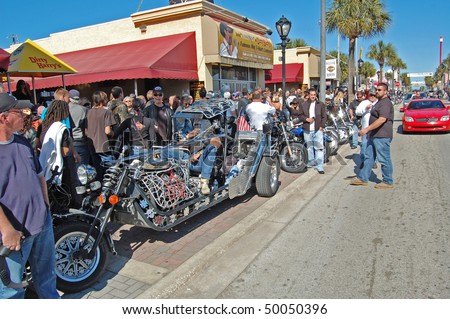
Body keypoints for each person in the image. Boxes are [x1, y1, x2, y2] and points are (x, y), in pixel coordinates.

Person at [0, 93, 60, 299]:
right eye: (20, 112)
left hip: (42, 224)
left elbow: (39, 174)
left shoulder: (22, 142)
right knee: (11, 290)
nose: (26, 116)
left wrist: (45, 205)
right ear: (3, 117)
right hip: (14, 237)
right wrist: (7, 230)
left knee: (47, 278)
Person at [350, 83, 394, 188]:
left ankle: (388, 181)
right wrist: (370, 132)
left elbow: (382, 119)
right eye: (377, 90)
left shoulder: (386, 103)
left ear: (385, 92)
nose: (377, 91)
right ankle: (363, 178)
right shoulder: (378, 102)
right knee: (369, 157)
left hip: (382, 136)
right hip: (374, 135)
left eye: (379, 90)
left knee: (384, 158)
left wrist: (366, 129)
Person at [297, 88, 327, 174]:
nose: (313, 96)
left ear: (316, 95)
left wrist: (322, 126)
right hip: (307, 129)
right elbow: (300, 115)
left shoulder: (321, 104)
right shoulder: (304, 104)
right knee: (309, 147)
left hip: (318, 129)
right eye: (311, 95)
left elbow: (324, 116)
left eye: (314, 95)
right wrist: (306, 119)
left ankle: (319, 166)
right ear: (308, 95)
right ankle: (311, 162)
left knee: (319, 148)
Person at [355, 89, 378, 169]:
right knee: (364, 145)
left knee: (374, 146)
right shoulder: (364, 103)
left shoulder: (379, 103)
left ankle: (374, 161)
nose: (372, 97)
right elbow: (357, 112)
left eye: (374, 95)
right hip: (365, 129)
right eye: (371, 95)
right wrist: (365, 108)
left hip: (375, 129)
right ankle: (363, 161)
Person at [68, 89, 90, 165]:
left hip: (69, 141)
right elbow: (87, 127)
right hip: (81, 141)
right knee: (83, 169)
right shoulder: (84, 110)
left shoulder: (65, 109)